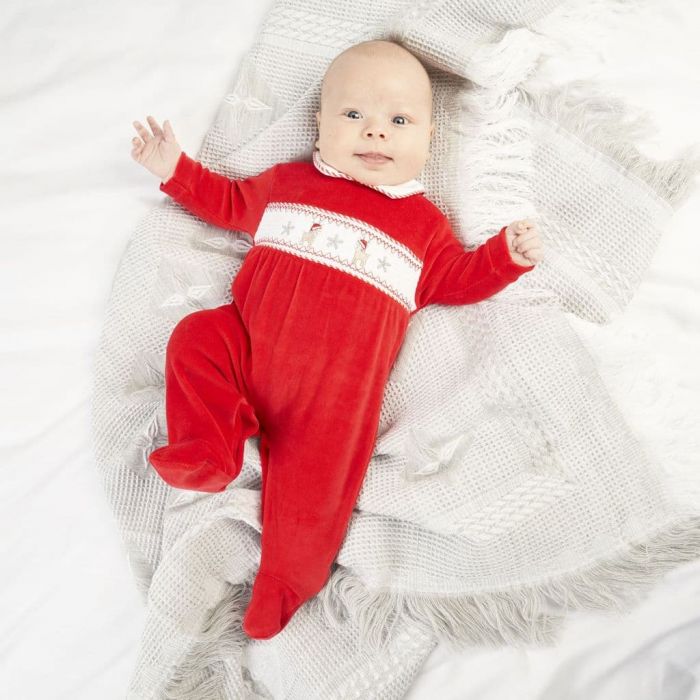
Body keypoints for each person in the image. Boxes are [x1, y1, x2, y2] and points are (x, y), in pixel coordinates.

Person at [130, 39, 544, 640]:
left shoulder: (424, 229)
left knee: (317, 496)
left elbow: (457, 280)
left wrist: (504, 257)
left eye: (398, 121)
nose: (375, 132)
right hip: (245, 344)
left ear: (428, 141)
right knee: (196, 337)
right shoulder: (288, 184)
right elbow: (228, 202)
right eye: (353, 114)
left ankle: (285, 581)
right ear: (319, 125)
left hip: (332, 402)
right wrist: (176, 170)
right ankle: (209, 447)